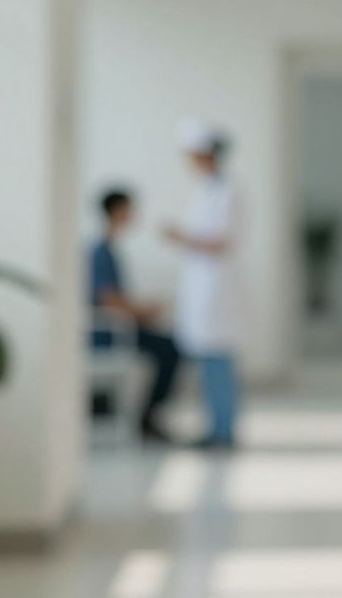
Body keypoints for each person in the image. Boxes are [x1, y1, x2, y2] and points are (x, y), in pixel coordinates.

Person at [165, 119, 244, 450]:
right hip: (204, 286)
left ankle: (223, 431)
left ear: (204, 154)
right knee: (209, 362)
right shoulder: (207, 189)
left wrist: (182, 238)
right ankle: (217, 428)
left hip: (216, 289)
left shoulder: (227, 190)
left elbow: (221, 242)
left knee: (217, 362)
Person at [89, 188, 181, 443]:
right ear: (117, 211)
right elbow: (107, 298)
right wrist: (141, 312)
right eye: (129, 210)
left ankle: (148, 417)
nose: (133, 215)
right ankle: (148, 419)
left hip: (117, 326)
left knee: (168, 343)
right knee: (170, 348)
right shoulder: (100, 251)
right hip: (107, 333)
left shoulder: (107, 248)